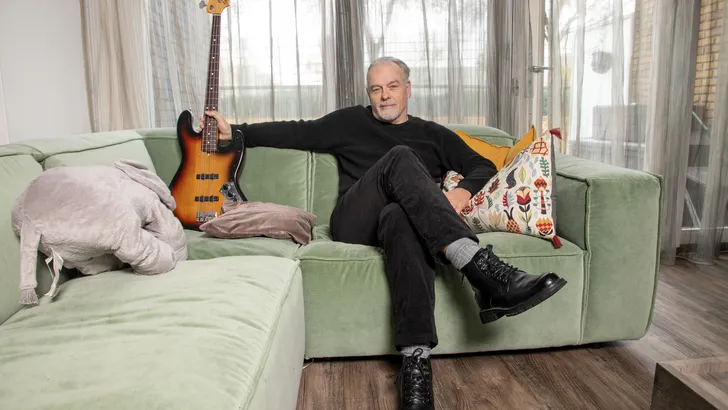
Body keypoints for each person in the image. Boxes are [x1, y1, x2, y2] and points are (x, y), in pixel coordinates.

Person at [201, 56, 566, 410]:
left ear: (408, 89)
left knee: (400, 216)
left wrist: (461, 192)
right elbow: (297, 130)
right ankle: (480, 268)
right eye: (376, 89)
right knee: (400, 157)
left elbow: (481, 165)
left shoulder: (433, 134)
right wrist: (237, 132)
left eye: (392, 86)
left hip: (401, 223)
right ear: (369, 94)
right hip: (354, 220)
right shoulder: (350, 122)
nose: (384, 95)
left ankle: (415, 363)